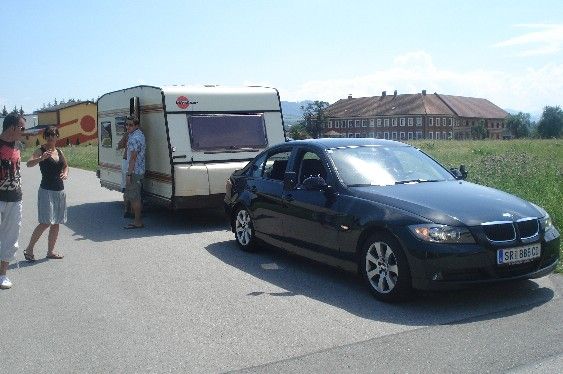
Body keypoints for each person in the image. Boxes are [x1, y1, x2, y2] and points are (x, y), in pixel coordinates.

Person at [23, 126, 68, 261]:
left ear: (57, 137)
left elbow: (65, 165)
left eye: (53, 135)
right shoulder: (40, 150)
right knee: (46, 222)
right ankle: (29, 249)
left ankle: (50, 251)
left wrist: (65, 173)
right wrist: (41, 158)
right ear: (45, 137)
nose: (50, 137)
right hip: (46, 190)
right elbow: (28, 164)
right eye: (48, 135)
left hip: (60, 191)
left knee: (56, 222)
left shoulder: (59, 151)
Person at [0, 113, 25, 289]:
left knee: (11, 238)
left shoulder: (18, 145)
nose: (23, 131)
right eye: (22, 128)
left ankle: (3, 275)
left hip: (15, 198)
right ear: (13, 127)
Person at [124, 115, 145, 229]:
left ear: (136, 125)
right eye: (126, 124)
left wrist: (129, 173)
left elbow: (133, 158)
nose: (128, 127)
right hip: (140, 169)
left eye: (131, 125)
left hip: (134, 171)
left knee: (134, 197)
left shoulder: (134, 138)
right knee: (135, 196)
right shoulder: (140, 135)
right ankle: (137, 220)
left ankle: (137, 222)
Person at [117, 130, 132, 218]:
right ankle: (129, 210)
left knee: (127, 187)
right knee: (131, 187)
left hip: (127, 161)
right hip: (131, 162)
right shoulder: (140, 133)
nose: (128, 126)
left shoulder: (129, 134)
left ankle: (127, 209)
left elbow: (120, 145)